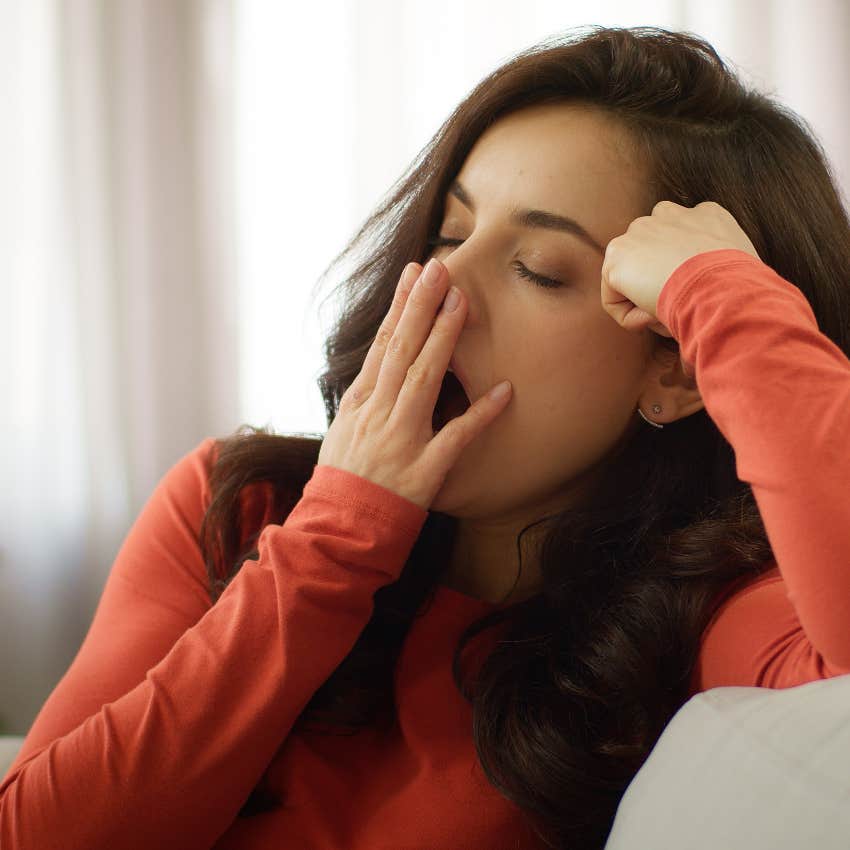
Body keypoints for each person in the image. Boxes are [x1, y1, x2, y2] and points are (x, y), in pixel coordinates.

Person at [2, 23, 850, 850]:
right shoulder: (241, 502)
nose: (442, 282)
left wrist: (727, 295)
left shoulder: (705, 619)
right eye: (448, 233)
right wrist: (332, 548)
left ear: (672, 368)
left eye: (538, 269)